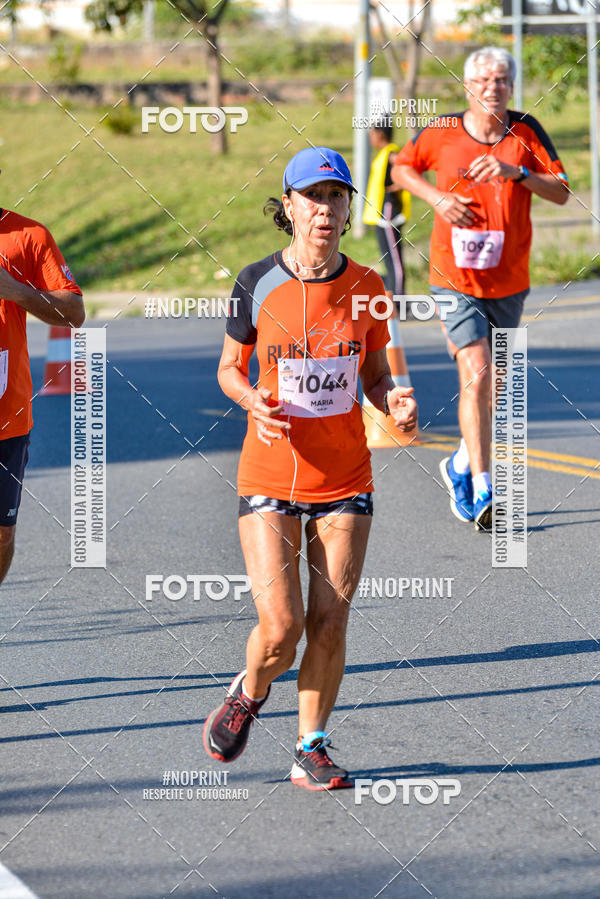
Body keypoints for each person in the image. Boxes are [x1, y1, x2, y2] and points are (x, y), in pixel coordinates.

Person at [203, 146, 418, 790]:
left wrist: (395, 404)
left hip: (345, 477)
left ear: (349, 208)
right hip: (269, 475)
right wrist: (252, 400)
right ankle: (250, 689)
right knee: (282, 629)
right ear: (289, 207)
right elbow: (227, 371)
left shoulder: (369, 288)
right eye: (313, 197)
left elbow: (377, 376)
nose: (325, 210)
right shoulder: (255, 283)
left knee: (330, 619)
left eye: (337, 197)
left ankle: (310, 746)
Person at [392, 46, 568, 531]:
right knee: (477, 371)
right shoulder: (444, 131)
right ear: (468, 86)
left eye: (502, 79)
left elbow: (562, 190)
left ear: (511, 86)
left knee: (496, 385)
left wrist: (519, 173)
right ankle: (486, 486)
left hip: (509, 278)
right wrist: (436, 197)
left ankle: (460, 464)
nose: (494, 86)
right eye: (485, 79)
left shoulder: (526, 131)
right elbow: (400, 169)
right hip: (454, 277)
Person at [0, 206, 84, 585]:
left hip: (7, 416)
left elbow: (73, 311)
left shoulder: (28, 235)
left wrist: (14, 290)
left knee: (2, 534)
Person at [363, 117, 411, 302]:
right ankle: (392, 297)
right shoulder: (383, 154)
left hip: (389, 211)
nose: (371, 138)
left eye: (372, 134)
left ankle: (400, 301)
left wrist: (395, 187)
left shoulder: (392, 154)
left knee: (395, 260)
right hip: (380, 213)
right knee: (388, 259)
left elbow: (408, 172)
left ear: (380, 134)